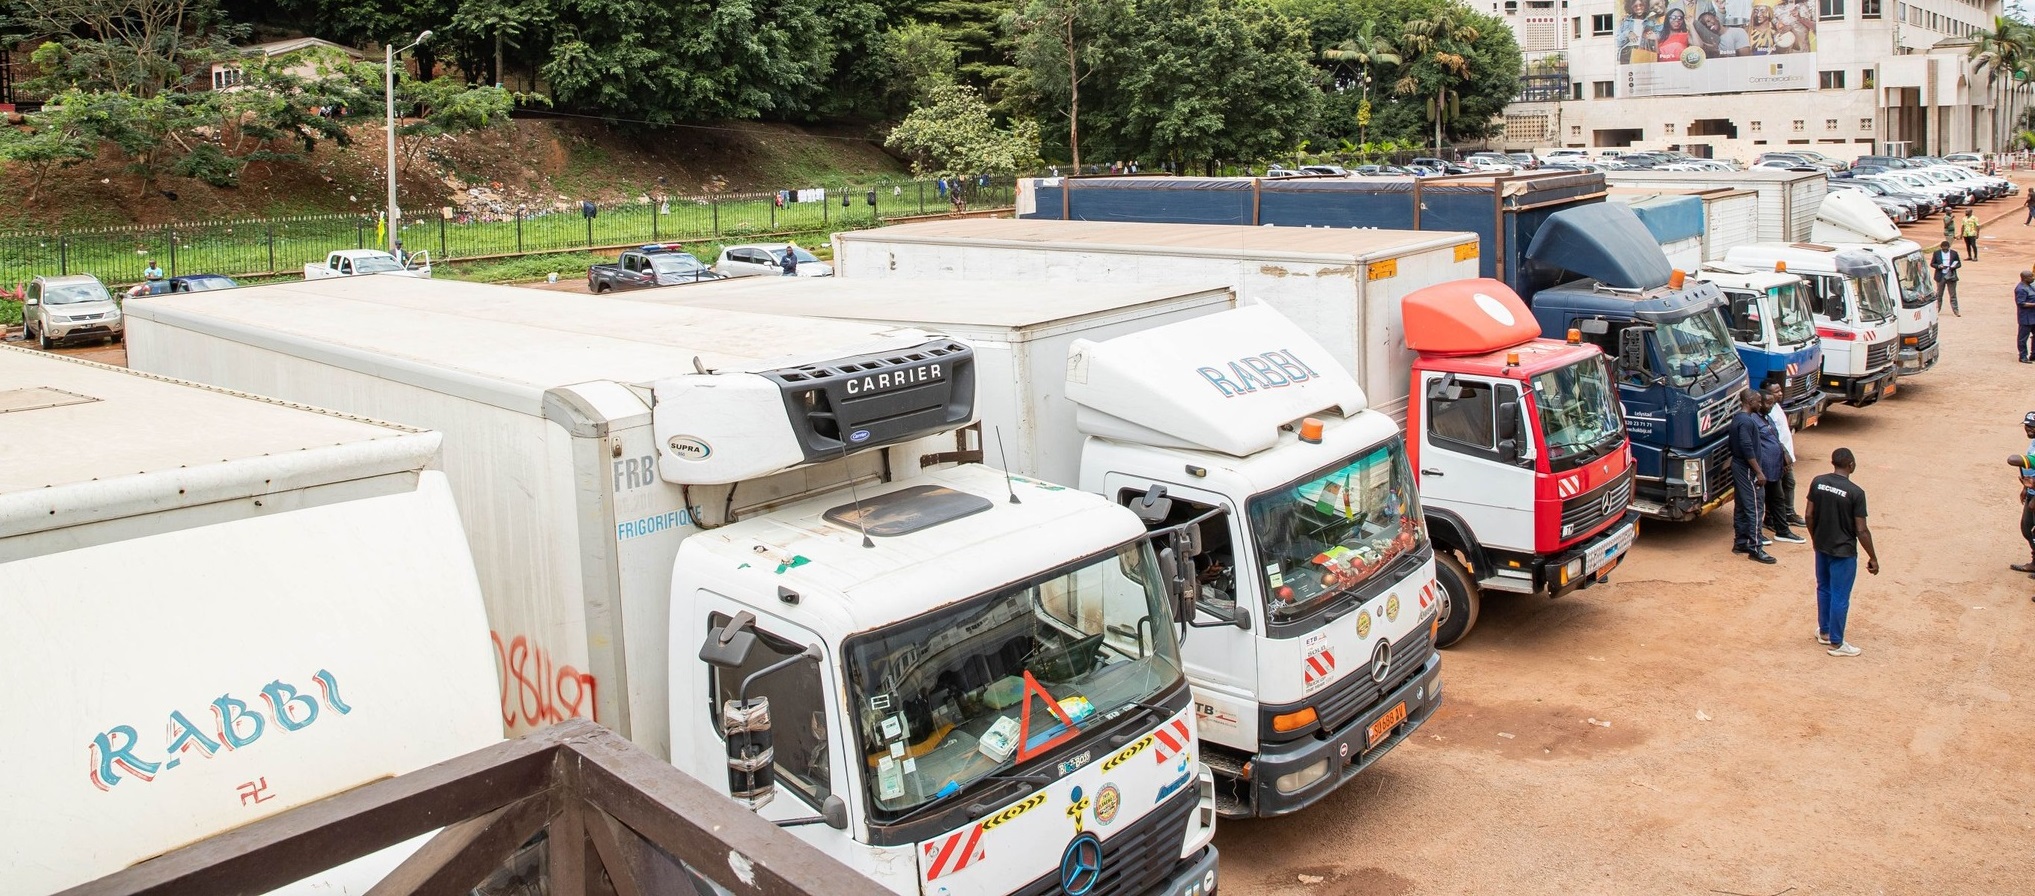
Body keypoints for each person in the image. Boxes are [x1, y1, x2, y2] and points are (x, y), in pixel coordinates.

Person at [1805, 447, 1878, 656]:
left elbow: (1809, 515)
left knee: (1824, 588)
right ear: (1851, 465)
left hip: (1822, 547)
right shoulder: (1856, 493)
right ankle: (1837, 643)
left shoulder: (1817, 482)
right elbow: (1861, 529)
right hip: (1843, 553)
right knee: (1840, 596)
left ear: (1833, 463)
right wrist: (1873, 556)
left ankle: (1825, 631)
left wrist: (1815, 538)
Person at [1730, 388, 1777, 563]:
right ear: (1749, 402)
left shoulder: (1739, 419)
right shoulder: (1747, 422)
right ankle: (1756, 547)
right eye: (1758, 401)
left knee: (1742, 505)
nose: (1760, 404)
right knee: (1755, 506)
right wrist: (1758, 471)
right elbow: (1747, 447)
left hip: (1740, 466)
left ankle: (1741, 542)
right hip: (1747, 468)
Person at [1762, 383, 1809, 534]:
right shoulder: (1767, 412)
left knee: (1789, 484)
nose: (1780, 394)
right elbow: (1774, 438)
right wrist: (1783, 458)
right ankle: (1771, 518)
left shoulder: (1776, 406)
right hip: (1778, 458)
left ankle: (1788, 513)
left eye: (1780, 391)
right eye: (1776, 392)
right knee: (1776, 491)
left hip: (1786, 456)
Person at [2007, 411, 2035, 576]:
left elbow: (2021, 460)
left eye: (2032, 426)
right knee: (2026, 528)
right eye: (2027, 425)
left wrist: (2020, 460)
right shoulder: (2033, 442)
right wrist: (2025, 487)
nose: (2028, 429)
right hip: (2031, 490)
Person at [1930, 239, 1961, 316]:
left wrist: (1953, 267)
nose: (1945, 250)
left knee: (1952, 294)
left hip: (1951, 275)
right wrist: (1939, 266)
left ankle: (1956, 310)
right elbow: (1932, 264)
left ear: (1949, 247)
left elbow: (1959, 264)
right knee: (1939, 294)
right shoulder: (1936, 253)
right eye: (1943, 249)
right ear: (1941, 248)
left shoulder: (1954, 253)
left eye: (1946, 249)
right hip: (1941, 275)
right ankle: (1937, 310)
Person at [2017, 271, 2035, 363]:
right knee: (2023, 338)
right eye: (2031, 276)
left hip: (2033, 316)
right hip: (2025, 317)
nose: (2033, 278)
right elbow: (2021, 303)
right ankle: (2023, 356)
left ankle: (2033, 354)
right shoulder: (2021, 289)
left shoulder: (2030, 287)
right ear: (2024, 278)